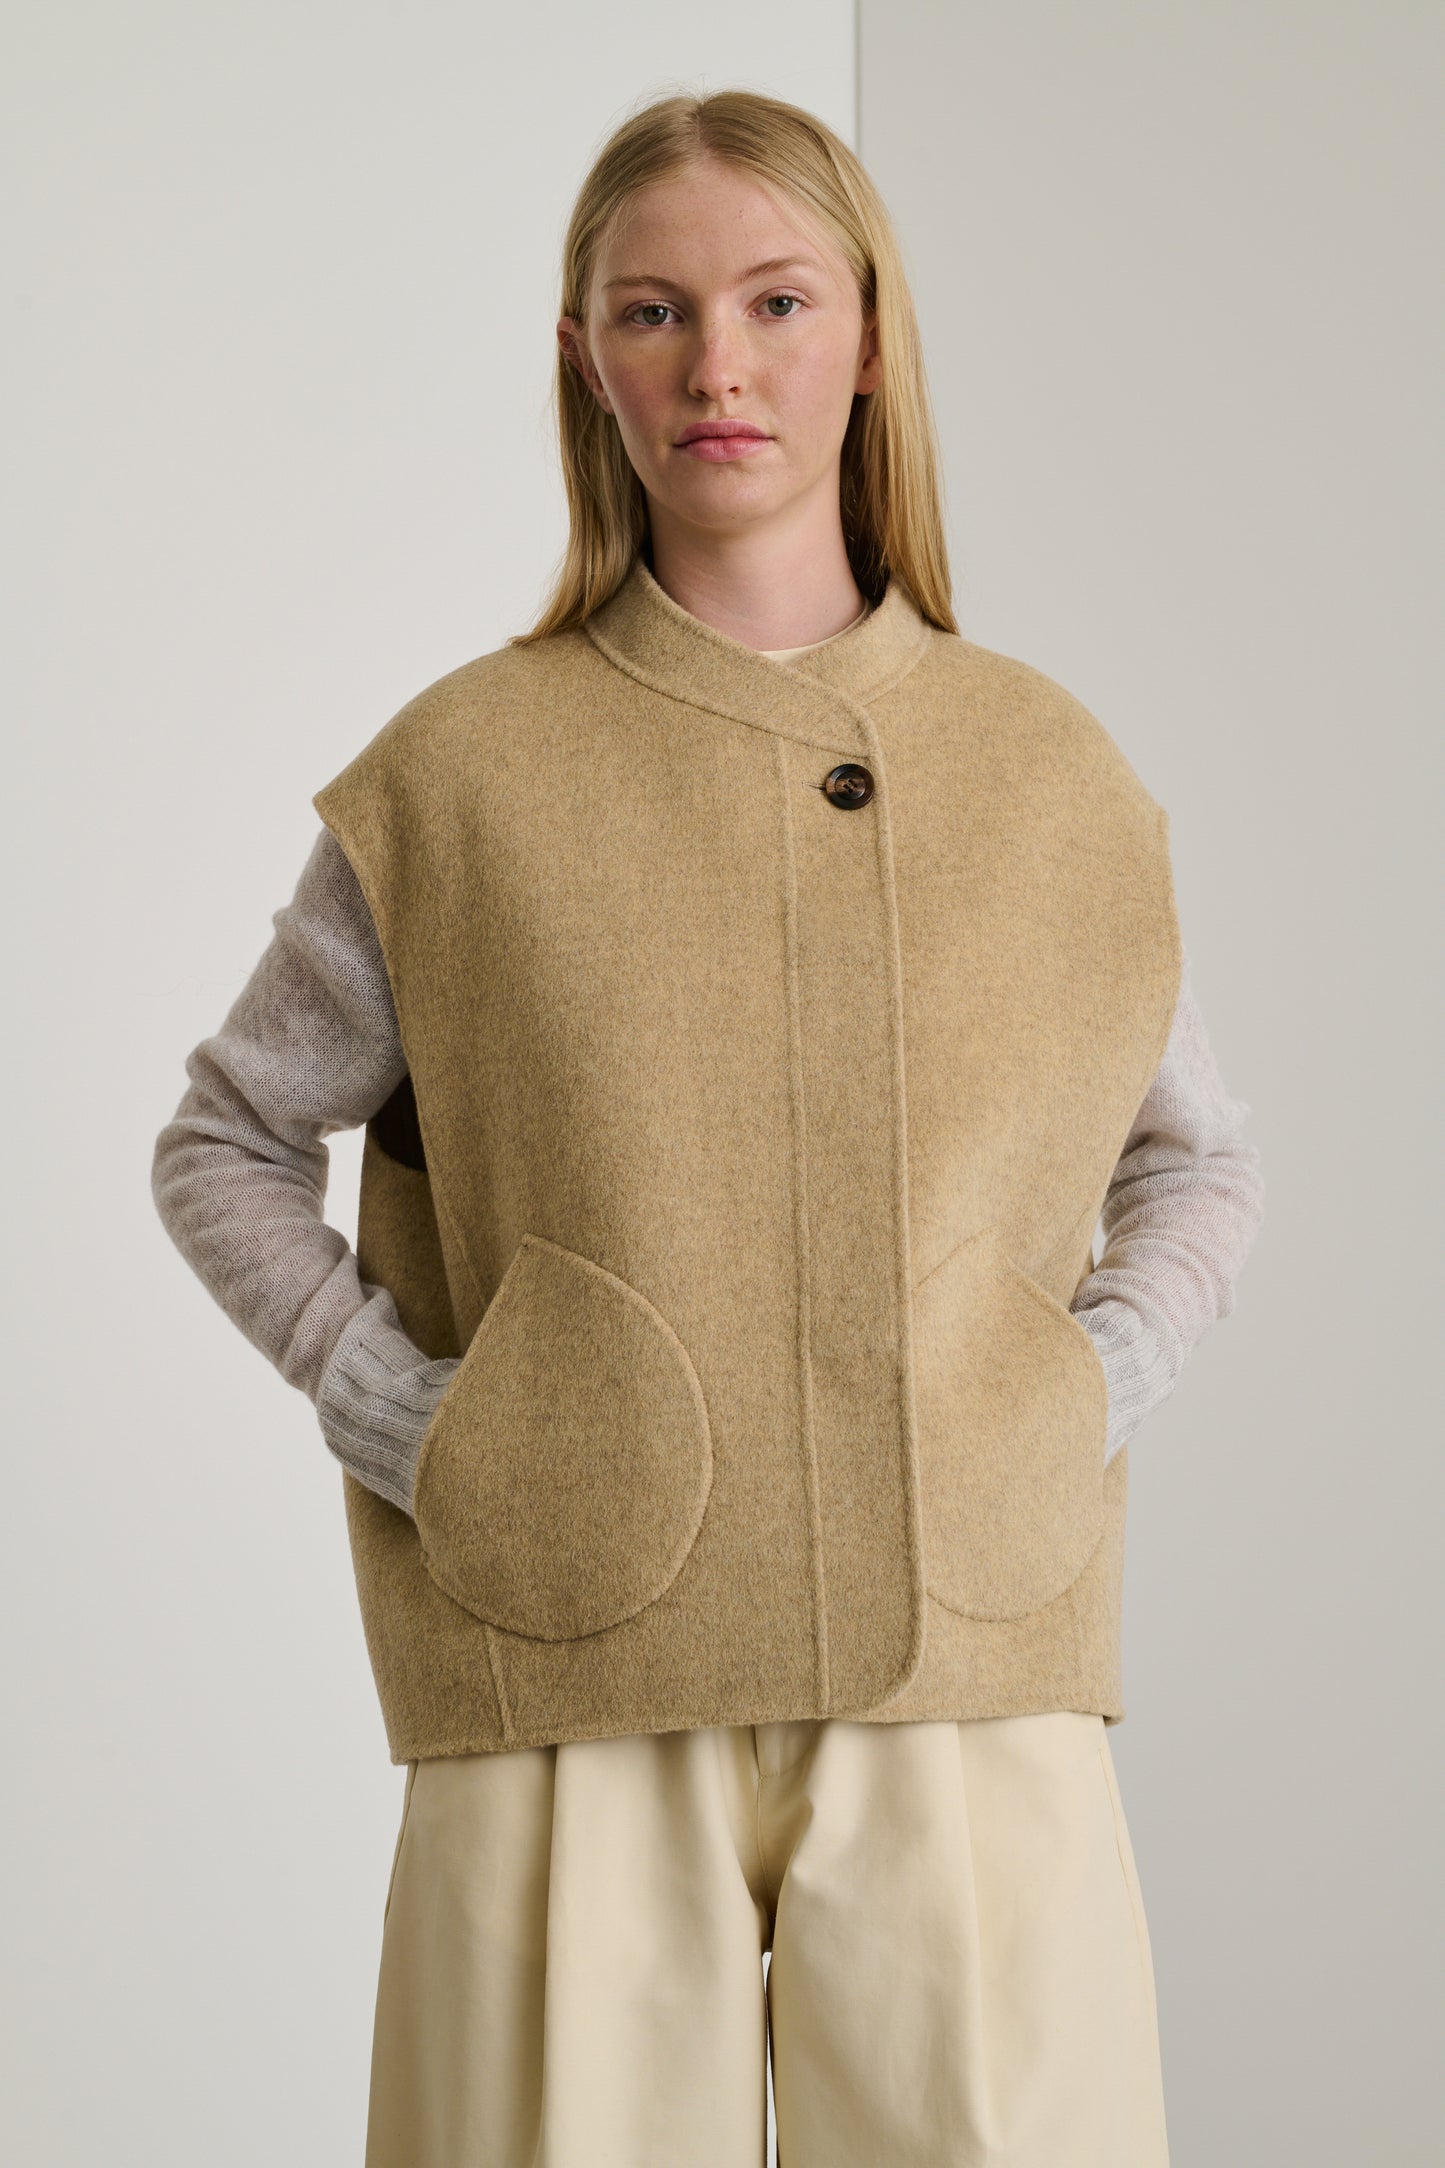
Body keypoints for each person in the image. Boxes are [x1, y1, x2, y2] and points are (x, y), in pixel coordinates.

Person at [152, 87, 1264, 2168]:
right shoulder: (460, 775)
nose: (716, 367)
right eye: (651, 312)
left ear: (872, 337)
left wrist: (1082, 1385)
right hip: (567, 1663)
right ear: (586, 360)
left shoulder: (1049, 773)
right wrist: (408, 1418)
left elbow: (1194, 1153)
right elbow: (224, 1141)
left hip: (971, 1666)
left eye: (775, 301)